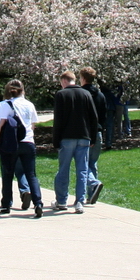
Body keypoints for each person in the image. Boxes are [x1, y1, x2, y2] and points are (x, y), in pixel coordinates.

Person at [0, 79, 42, 217]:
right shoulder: (29, 105)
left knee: (7, 175)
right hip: (28, 142)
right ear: (23, 90)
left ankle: (6, 205)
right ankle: (38, 203)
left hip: (10, 144)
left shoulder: (3, 105)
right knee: (31, 174)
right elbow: (33, 124)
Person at [51, 71, 97, 213]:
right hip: (83, 137)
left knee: (63, 169)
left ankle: (62, 201)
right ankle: (79, 202)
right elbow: (93, 117)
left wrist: (56, 140)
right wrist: (93, 137)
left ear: (64, 81)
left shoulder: (61, 95)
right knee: (82, 170)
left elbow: (58, 119)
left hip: (67, 137)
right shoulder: (86, 94)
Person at [78, 67, 106, 204]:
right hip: (98, 132)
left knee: (82, 164)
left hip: (85, 133)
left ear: (83, 78)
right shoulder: (100, 95)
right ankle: (91, 195)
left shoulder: (81, 94)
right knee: (92, 163)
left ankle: (93, 184)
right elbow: (104, 116)